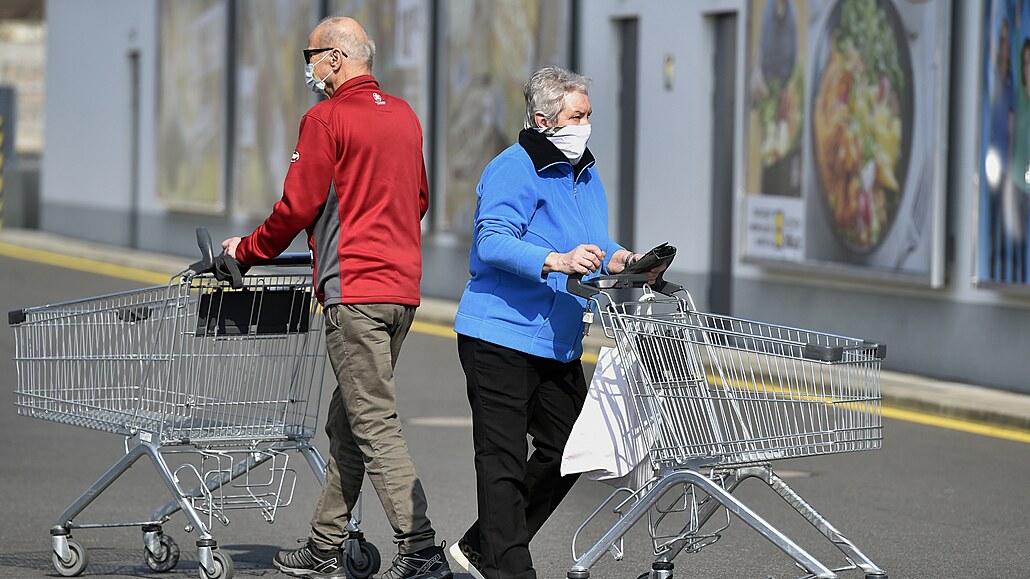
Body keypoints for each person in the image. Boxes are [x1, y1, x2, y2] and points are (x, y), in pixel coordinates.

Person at [222, 16, 451, 579]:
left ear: (336, 58)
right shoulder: (404, 116)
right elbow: (417, 199)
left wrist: (246, 252)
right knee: (348, 421)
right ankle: (324, 548)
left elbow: (297, 206)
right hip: (401, 292)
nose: (309, 67)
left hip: (355, 293)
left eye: (311, 55)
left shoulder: (325, 118)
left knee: (372, 422)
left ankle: (420, 550)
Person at [447, 66, 666, 579]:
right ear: (543, 119)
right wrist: (557, 261)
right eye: (576, 115)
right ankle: (509, 569)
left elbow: (594, 239)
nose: (585, 124)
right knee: (500, 460)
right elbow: (492, 241)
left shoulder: (585, 172)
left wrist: (623, 260)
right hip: (497, 333)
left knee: (568, 450)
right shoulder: (514, 167)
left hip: (557, 340)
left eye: (589, 115)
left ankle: (483, 546)